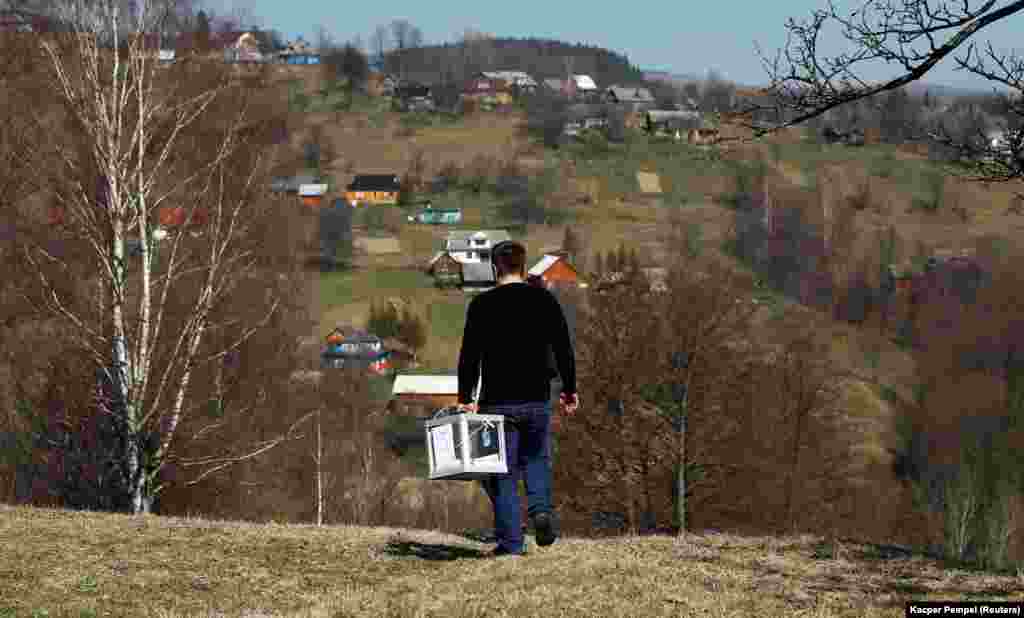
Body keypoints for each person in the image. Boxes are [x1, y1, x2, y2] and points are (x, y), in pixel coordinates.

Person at [456, 240, 580, 557]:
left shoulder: (482, 305)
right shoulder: (544, 301)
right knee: (536, 458)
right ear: (524, 268)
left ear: (495, 268)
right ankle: (540, 510)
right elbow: (564, 348)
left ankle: (511, 544)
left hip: (497, 402)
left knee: (503, 472)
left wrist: (466, 397)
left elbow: (469, 355)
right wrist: (569, 389)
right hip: (536, 397)